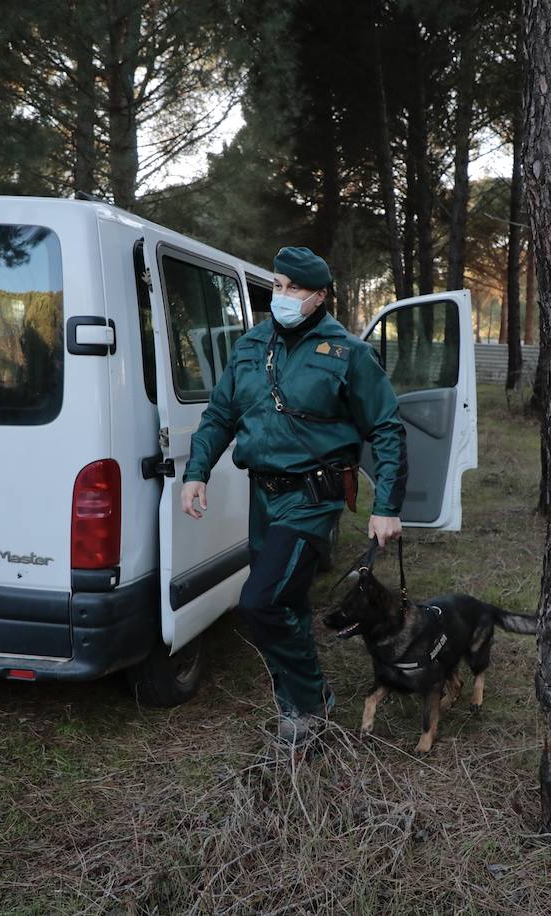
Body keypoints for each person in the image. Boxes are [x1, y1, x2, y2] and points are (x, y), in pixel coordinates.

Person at [180, 245, 406, 747]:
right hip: (263, 496)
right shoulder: (250, 346)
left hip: (312, 498)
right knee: (289, 605)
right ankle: (298, 705)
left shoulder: (349, 353)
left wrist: (387, 505)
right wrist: (197, 471)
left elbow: (387, 429)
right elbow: (220, 415)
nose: (279, 296)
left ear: (320, 296)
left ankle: (308, 705)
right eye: (277, 286)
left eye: (292, 289)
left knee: (258, 603)